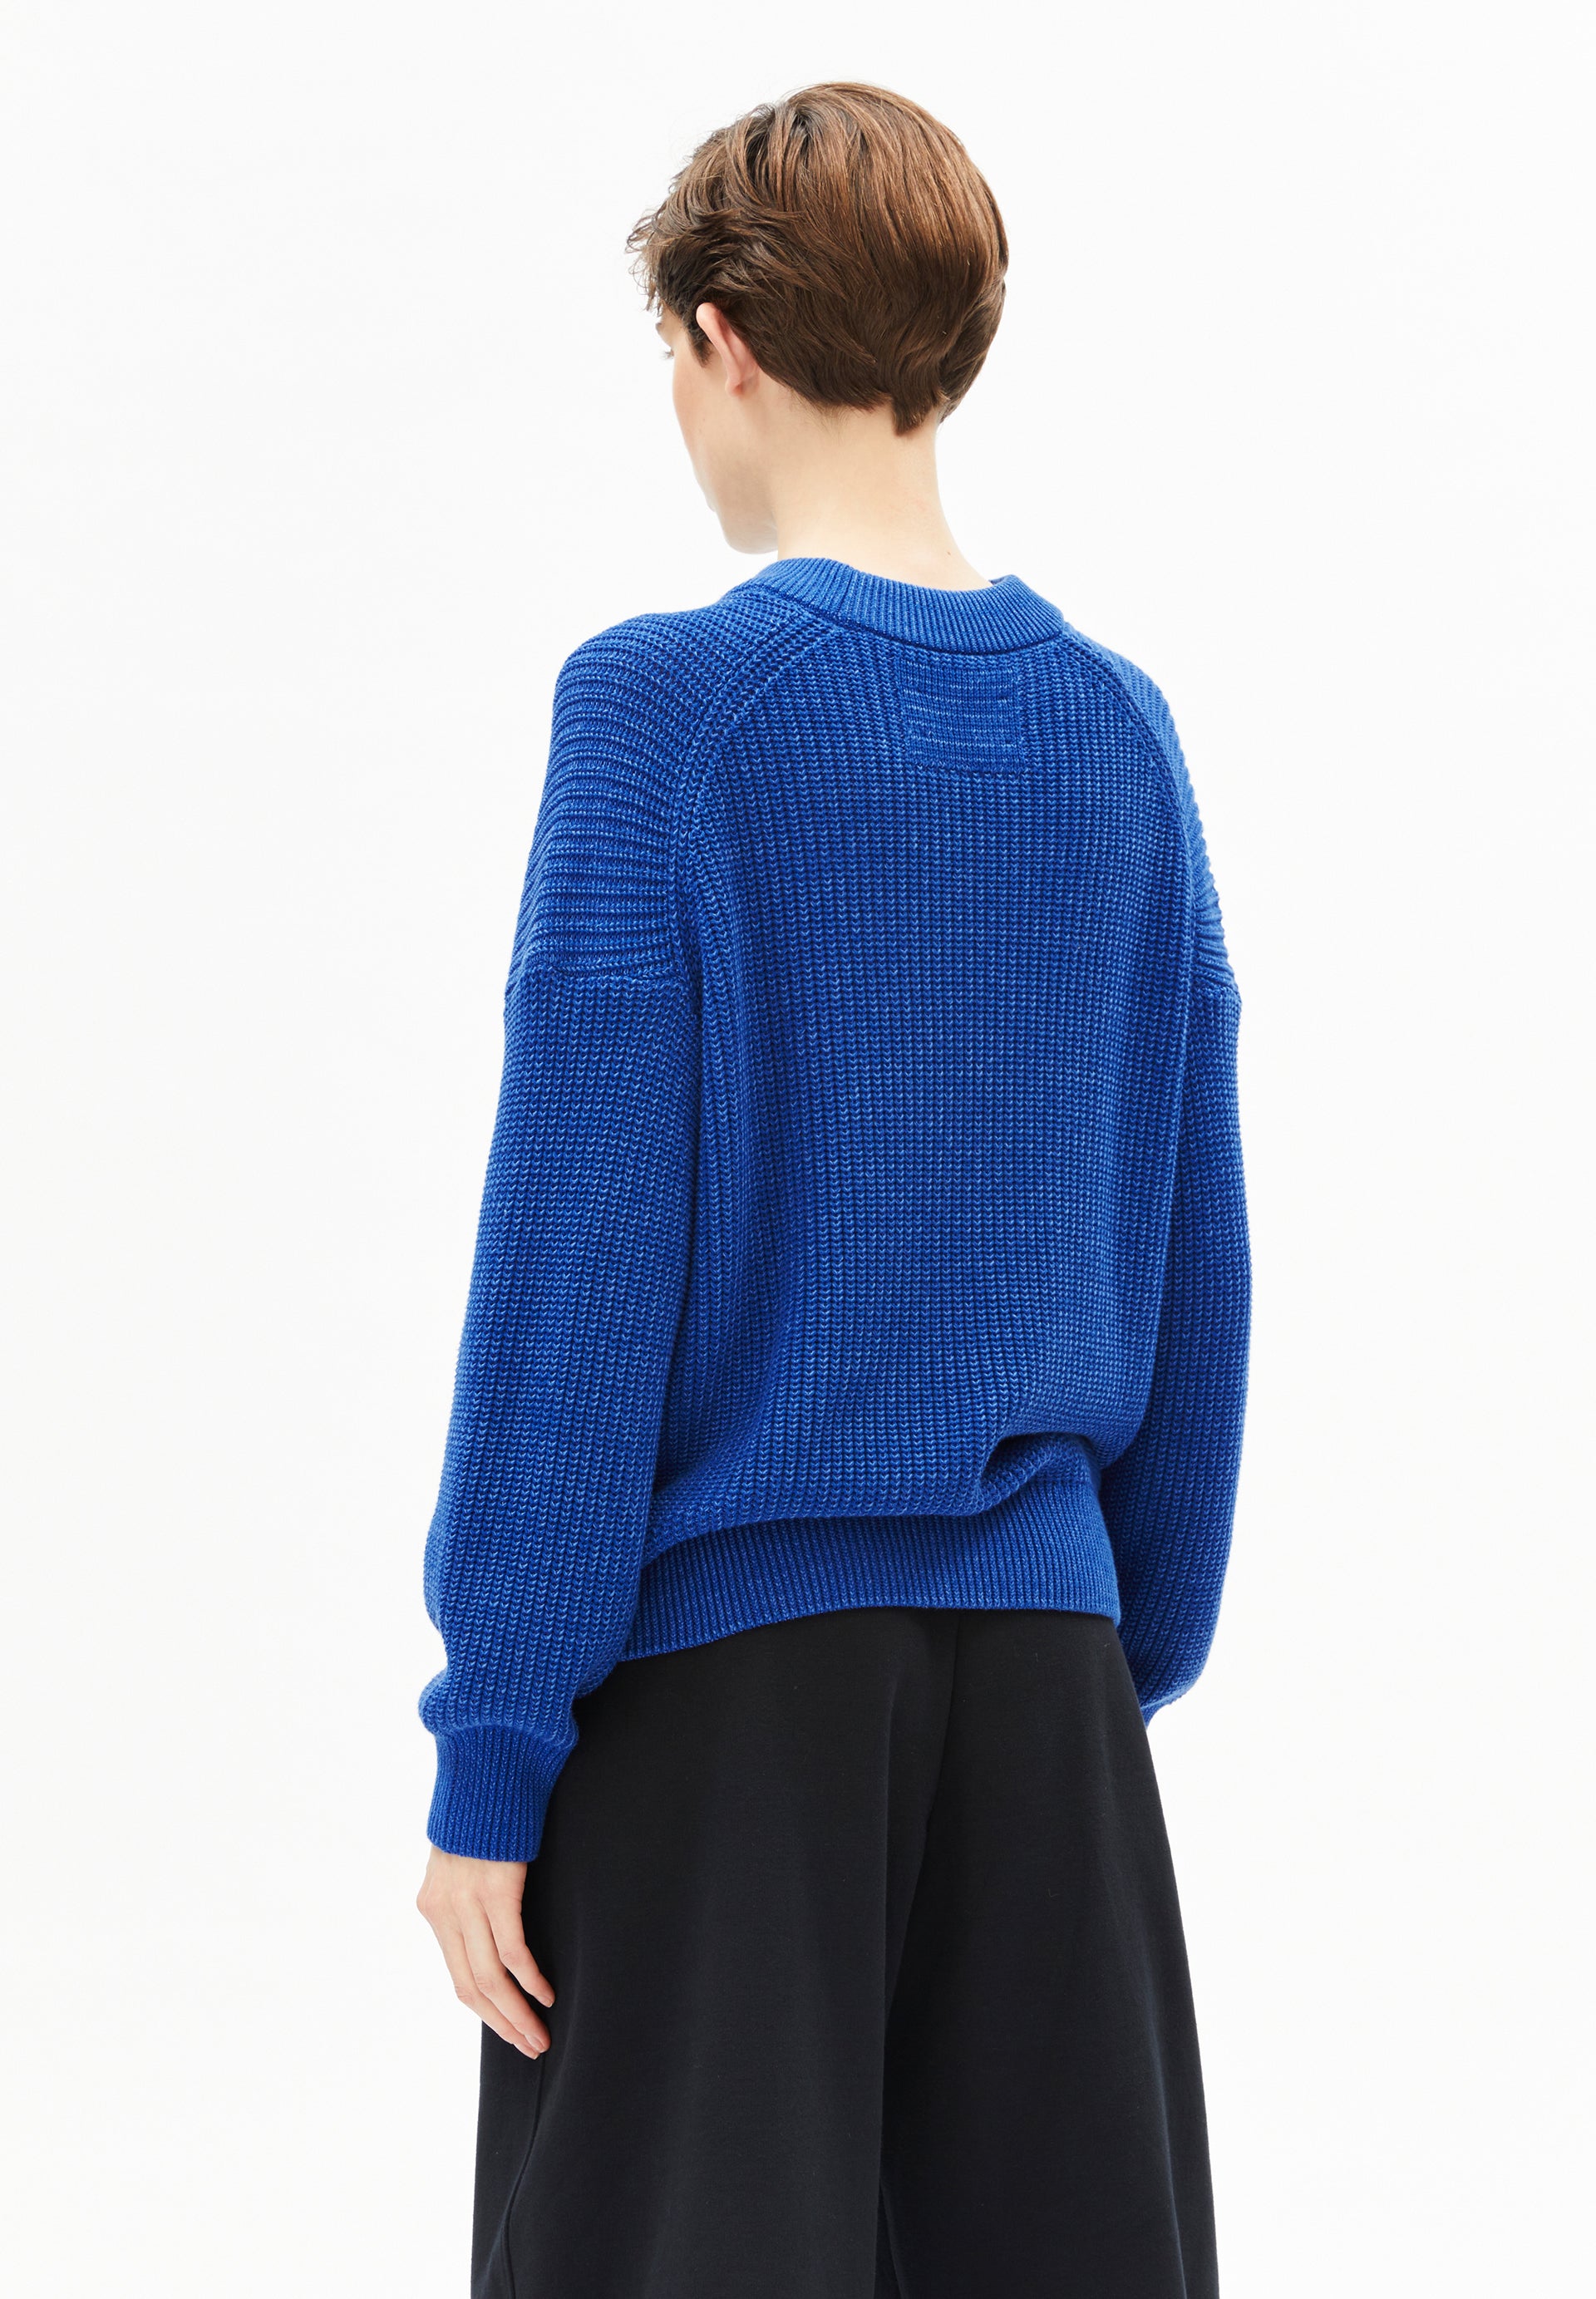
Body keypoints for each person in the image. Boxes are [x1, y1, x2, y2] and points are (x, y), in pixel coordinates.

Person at [414, 79, 1251, 2299]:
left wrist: (496, 1748)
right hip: (1051, 1700)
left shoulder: (668, 712)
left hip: (731, 1713)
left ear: (720, 338)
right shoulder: (1119, 733)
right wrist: (1094, 1636)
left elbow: (578, 1260)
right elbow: (1196, 1242)